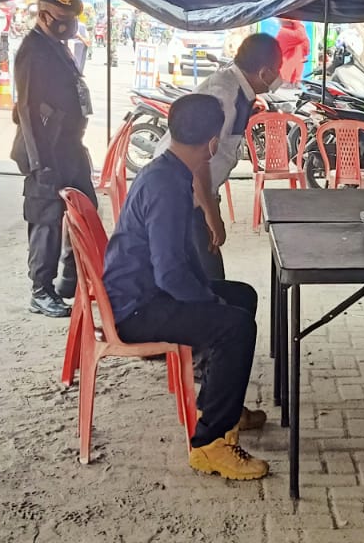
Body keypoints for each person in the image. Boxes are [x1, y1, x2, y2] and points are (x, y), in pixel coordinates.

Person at [104, 94, 267, 480]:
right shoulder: (167, 187)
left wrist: (211, 299)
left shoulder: (167, 169)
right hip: (138, 309)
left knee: (242, 297)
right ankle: (209, 444)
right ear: (212, 143)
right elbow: (171, 274)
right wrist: (208, 302)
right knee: (235, 325)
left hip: (144, 292)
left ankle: (221, 403)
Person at [156, 33, 285, 279]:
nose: (279, 77)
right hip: (180, 192)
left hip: (195, 192)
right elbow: (198, 159)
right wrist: (211, 214)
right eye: (277, 70)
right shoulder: (224, 96)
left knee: (208, 273)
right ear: (264, 72)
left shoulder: (237, 89)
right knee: (208, 276)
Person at [11, 0, 94, 318]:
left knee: (85, 210)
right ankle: (40, 290)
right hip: (45, 151)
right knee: (46, 219)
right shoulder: (33, 51)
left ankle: (71, 279)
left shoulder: (58, 46)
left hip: (70, 147)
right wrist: (39, 163)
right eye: (62, 19)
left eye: (72, 19)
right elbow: (28, 111)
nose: (69, 25)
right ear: (43, 14)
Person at [274, 17, 310, 84]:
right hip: (286, 77)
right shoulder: (284, 32)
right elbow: (301, 37)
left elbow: (306, 48)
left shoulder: (289, 33)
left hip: (292, 77)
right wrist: (299, 23)